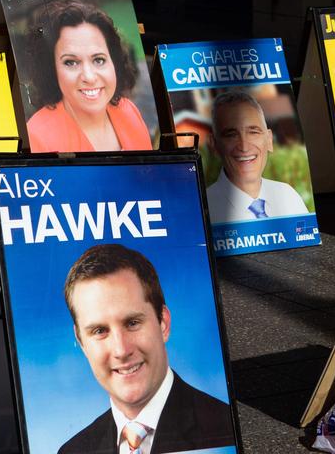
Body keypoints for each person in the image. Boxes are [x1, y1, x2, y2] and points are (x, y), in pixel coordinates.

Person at [59, 244, 235, 454]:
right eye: (99, 331)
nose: (121, 350)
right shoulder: (73, 451)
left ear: (163, 323)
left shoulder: (226, 428)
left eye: (132, 323)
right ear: (81, 342)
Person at [25, 0, 152, 153]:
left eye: (99, 60)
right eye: (71, 62)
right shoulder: (37, 137)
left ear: (114, 62)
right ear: (52, 70)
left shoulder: (128, 110)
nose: (89, 77)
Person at [205, 91, 309, 222]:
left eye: (253, 132)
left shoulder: (288, 195)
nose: (244, 146)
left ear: (269, 140)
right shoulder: (204, 210)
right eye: (231, 135)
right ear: (214, 145)